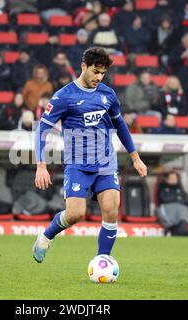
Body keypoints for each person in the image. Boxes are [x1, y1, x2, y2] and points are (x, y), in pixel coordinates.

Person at [32, 47, 147, 263]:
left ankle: (103, 261)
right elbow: (42, 130)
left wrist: (135, 157)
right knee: (75, 214)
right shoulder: (63, 97)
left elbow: (120, 125)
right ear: (83, 66)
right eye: (95, 71)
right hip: (77, 164)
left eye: (103, 73)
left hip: (105, 162)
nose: (99, 77)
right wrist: (41, 165)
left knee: (111, 211)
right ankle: (46, 236)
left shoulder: (107, 94)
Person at [155, 171, 188, 236]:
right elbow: (164, 199)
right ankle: (175, 229)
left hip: (181, 208)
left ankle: (182, 227)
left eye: (175, 178)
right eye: (171, 178)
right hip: (168, 208)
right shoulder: (163, 188)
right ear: (167, 179)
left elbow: (185, 199)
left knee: (184, 211)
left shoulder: (180, 189)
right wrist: (177, 199)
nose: (173, 180)